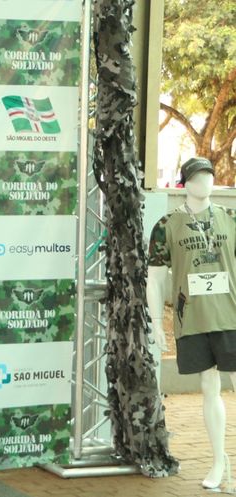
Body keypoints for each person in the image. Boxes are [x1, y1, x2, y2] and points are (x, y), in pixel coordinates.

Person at [148, 157, 236, 491]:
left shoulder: (230, 218)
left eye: (209, 175)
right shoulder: (167, 225)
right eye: (198, 177)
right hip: (193, 318)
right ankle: (218, 460)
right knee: (209, 387)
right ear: (185, 183)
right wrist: (157, 322)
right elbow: (155, 279)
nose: (205, 182)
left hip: (230, 315)